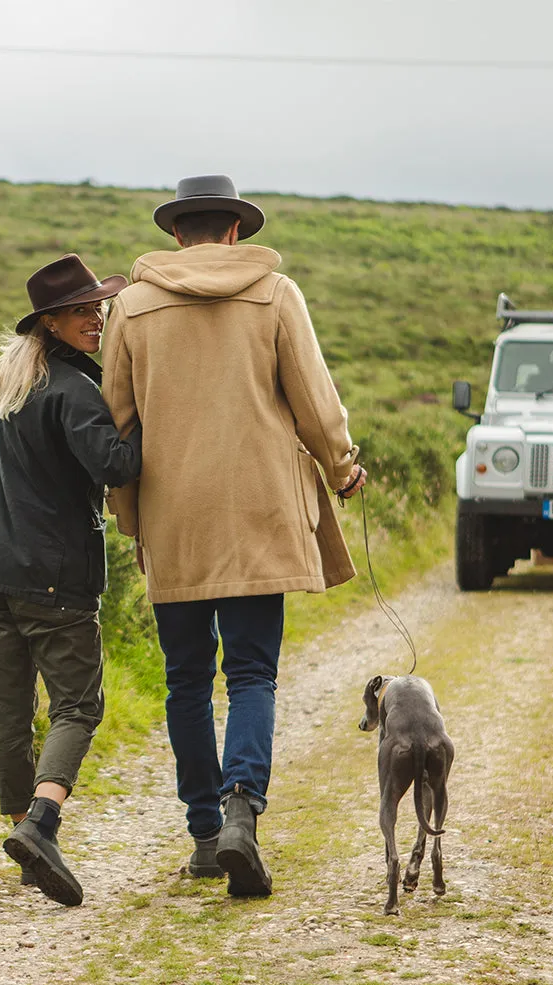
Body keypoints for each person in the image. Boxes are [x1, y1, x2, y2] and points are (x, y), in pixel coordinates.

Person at [102, 175, 366, 897]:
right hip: (260, 513)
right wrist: (342, 469)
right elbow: (315, 401)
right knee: (252, 673)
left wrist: (133, 519)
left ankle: (203, 835)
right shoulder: (276, 295)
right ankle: (242, 810)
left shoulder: (129, 306)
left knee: (186, 679)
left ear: (178, 234)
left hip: (174, 515)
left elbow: (117, 429)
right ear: (235, 232)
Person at [0, 254, 142, 906]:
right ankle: (42, 825)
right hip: (55, 581)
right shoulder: (73, 392)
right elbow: (119, 465)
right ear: (51, 321)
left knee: (11, 715)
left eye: (97, 306)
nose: (95, 318)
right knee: (77, 707)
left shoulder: (19, 381)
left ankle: (24, 843)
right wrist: (156, 415)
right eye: (81, 310)